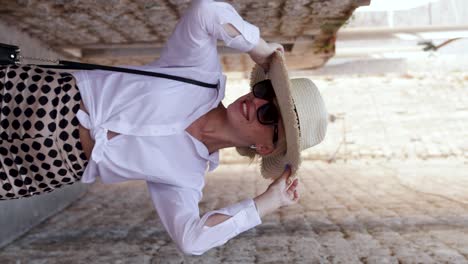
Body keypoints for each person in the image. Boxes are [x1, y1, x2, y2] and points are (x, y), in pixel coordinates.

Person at [0, 0, 328, 255]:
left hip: (40, 169)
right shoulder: (199, 73)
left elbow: (193, 240)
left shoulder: (186, 178)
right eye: (264, 92)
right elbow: (207, 12)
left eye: (270, 115)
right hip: (36, 97)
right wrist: (259, 48)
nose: (256, 104)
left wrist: (265, 204)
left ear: (265, 148)